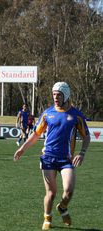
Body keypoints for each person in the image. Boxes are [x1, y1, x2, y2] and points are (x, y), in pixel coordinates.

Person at [13, 82, 91, 230]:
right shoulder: (48, 113)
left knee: (68, 190)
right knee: (51, 192)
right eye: (54, 94)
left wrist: (82, 153)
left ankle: (62, 207)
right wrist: (22, 148)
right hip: (48, 157)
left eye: (59, 94)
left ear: (66, 95)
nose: (55, 97)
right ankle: (47, 217)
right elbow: (36, 134)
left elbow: (86, 137)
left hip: (66, 159)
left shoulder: (76, 115)